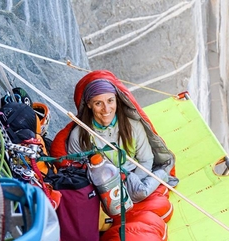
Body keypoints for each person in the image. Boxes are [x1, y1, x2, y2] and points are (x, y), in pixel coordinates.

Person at [64, 72, 175, 203]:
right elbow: (75, 171)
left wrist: (131, 186)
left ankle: (161, 174)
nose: (106, 109)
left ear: (116, 99)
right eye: (98, 103)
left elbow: (146, 160)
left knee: (139, 193)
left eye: (110, 101)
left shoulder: (133, 125)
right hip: (104, 185)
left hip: (133, 175)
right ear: (89, 104)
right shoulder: (79, 135)